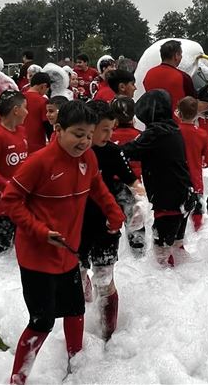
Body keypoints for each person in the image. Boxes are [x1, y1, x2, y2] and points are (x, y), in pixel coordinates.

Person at [1, 100, 124, 385]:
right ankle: (17, 379)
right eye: (78, 134)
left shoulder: (89, 158)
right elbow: (11, 200)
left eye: (89, 135)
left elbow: (97, 186)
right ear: (58, 129)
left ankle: (76, 366)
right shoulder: (39, 162)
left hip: (70, 251)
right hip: (37, 256)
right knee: (42, 322)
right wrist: (40, 231)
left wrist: (112, 210)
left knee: (75, 310)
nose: (85, 141)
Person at [79, 100, 144, 340]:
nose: (109, 134)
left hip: (107, 225)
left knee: (105, 279)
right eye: (104, 129)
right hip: (76, 226)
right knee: (78, 272)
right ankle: (82, 320)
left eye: (112, 128)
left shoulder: (113, 151)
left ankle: (108, 335)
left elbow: (131, 180)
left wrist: (140, 202)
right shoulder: (75, 152)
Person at [121, 89, 194, 267]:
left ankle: (166, 279)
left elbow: (129, 150)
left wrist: (107, 150)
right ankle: (183, 276)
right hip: (183, 194)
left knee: (161, 246)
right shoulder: (171, 127)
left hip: (167, 198)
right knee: (176, 244)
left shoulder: (156, 132)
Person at [0, 90, 29, 253]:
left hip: (20, 202)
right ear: (16, 110)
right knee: (1, 252)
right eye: (25, 107)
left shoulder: (22, 131)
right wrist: (7, 186)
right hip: (0, 206)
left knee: (18, 251)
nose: (27, 112)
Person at [110, 96, 147, 257]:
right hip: (134, 186)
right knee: (136, 223)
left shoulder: (107, 137)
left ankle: (112, 255)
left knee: (110, 223)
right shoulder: (141, 136)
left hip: (111, 185)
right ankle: (138, 256)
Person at [176, 96, 208, 232]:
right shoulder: (201, 134)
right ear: (196, 113)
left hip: (177, 177)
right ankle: (197, 230)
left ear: (178, 112)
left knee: (178, 208)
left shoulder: (174, 132)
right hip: (195, 178)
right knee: (197, 207)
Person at [143, 39, 196, 118]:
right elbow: (193, 104)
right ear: (176, 56)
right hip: (176, 126)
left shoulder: (148, 74)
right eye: (180, 55)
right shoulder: (183, 77)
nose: (181, 57)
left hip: (152, 125)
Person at [23, 72, 53, 153]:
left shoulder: (19, 98)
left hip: (20, 145)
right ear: (43, 86)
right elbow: (48, 125)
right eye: (47, 89)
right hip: (36, 146)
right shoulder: (43, 101)